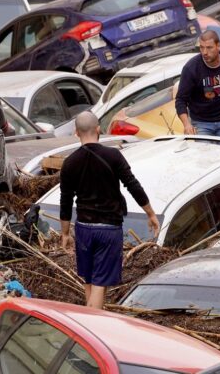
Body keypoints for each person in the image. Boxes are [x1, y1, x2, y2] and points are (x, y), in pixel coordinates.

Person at [59, 111, 160, 309]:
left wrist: (64, 233)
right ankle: (91, 326)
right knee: (99, 284)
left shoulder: (69, 162)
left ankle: (92, 319)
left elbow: (66, 200)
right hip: (108, 229)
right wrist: (150, 213)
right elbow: (133, 185)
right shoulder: (113, 156)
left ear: (76, 132)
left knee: (89, 279)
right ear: (98, 130)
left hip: (84, 228)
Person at [175, 30, 220, 137]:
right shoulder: (191, 68)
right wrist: (187, 124)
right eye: (201, 47)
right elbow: (180, 100)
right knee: (205, 153)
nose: (204, 52)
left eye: (209, 47)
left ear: (218, 46)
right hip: (201, 123)